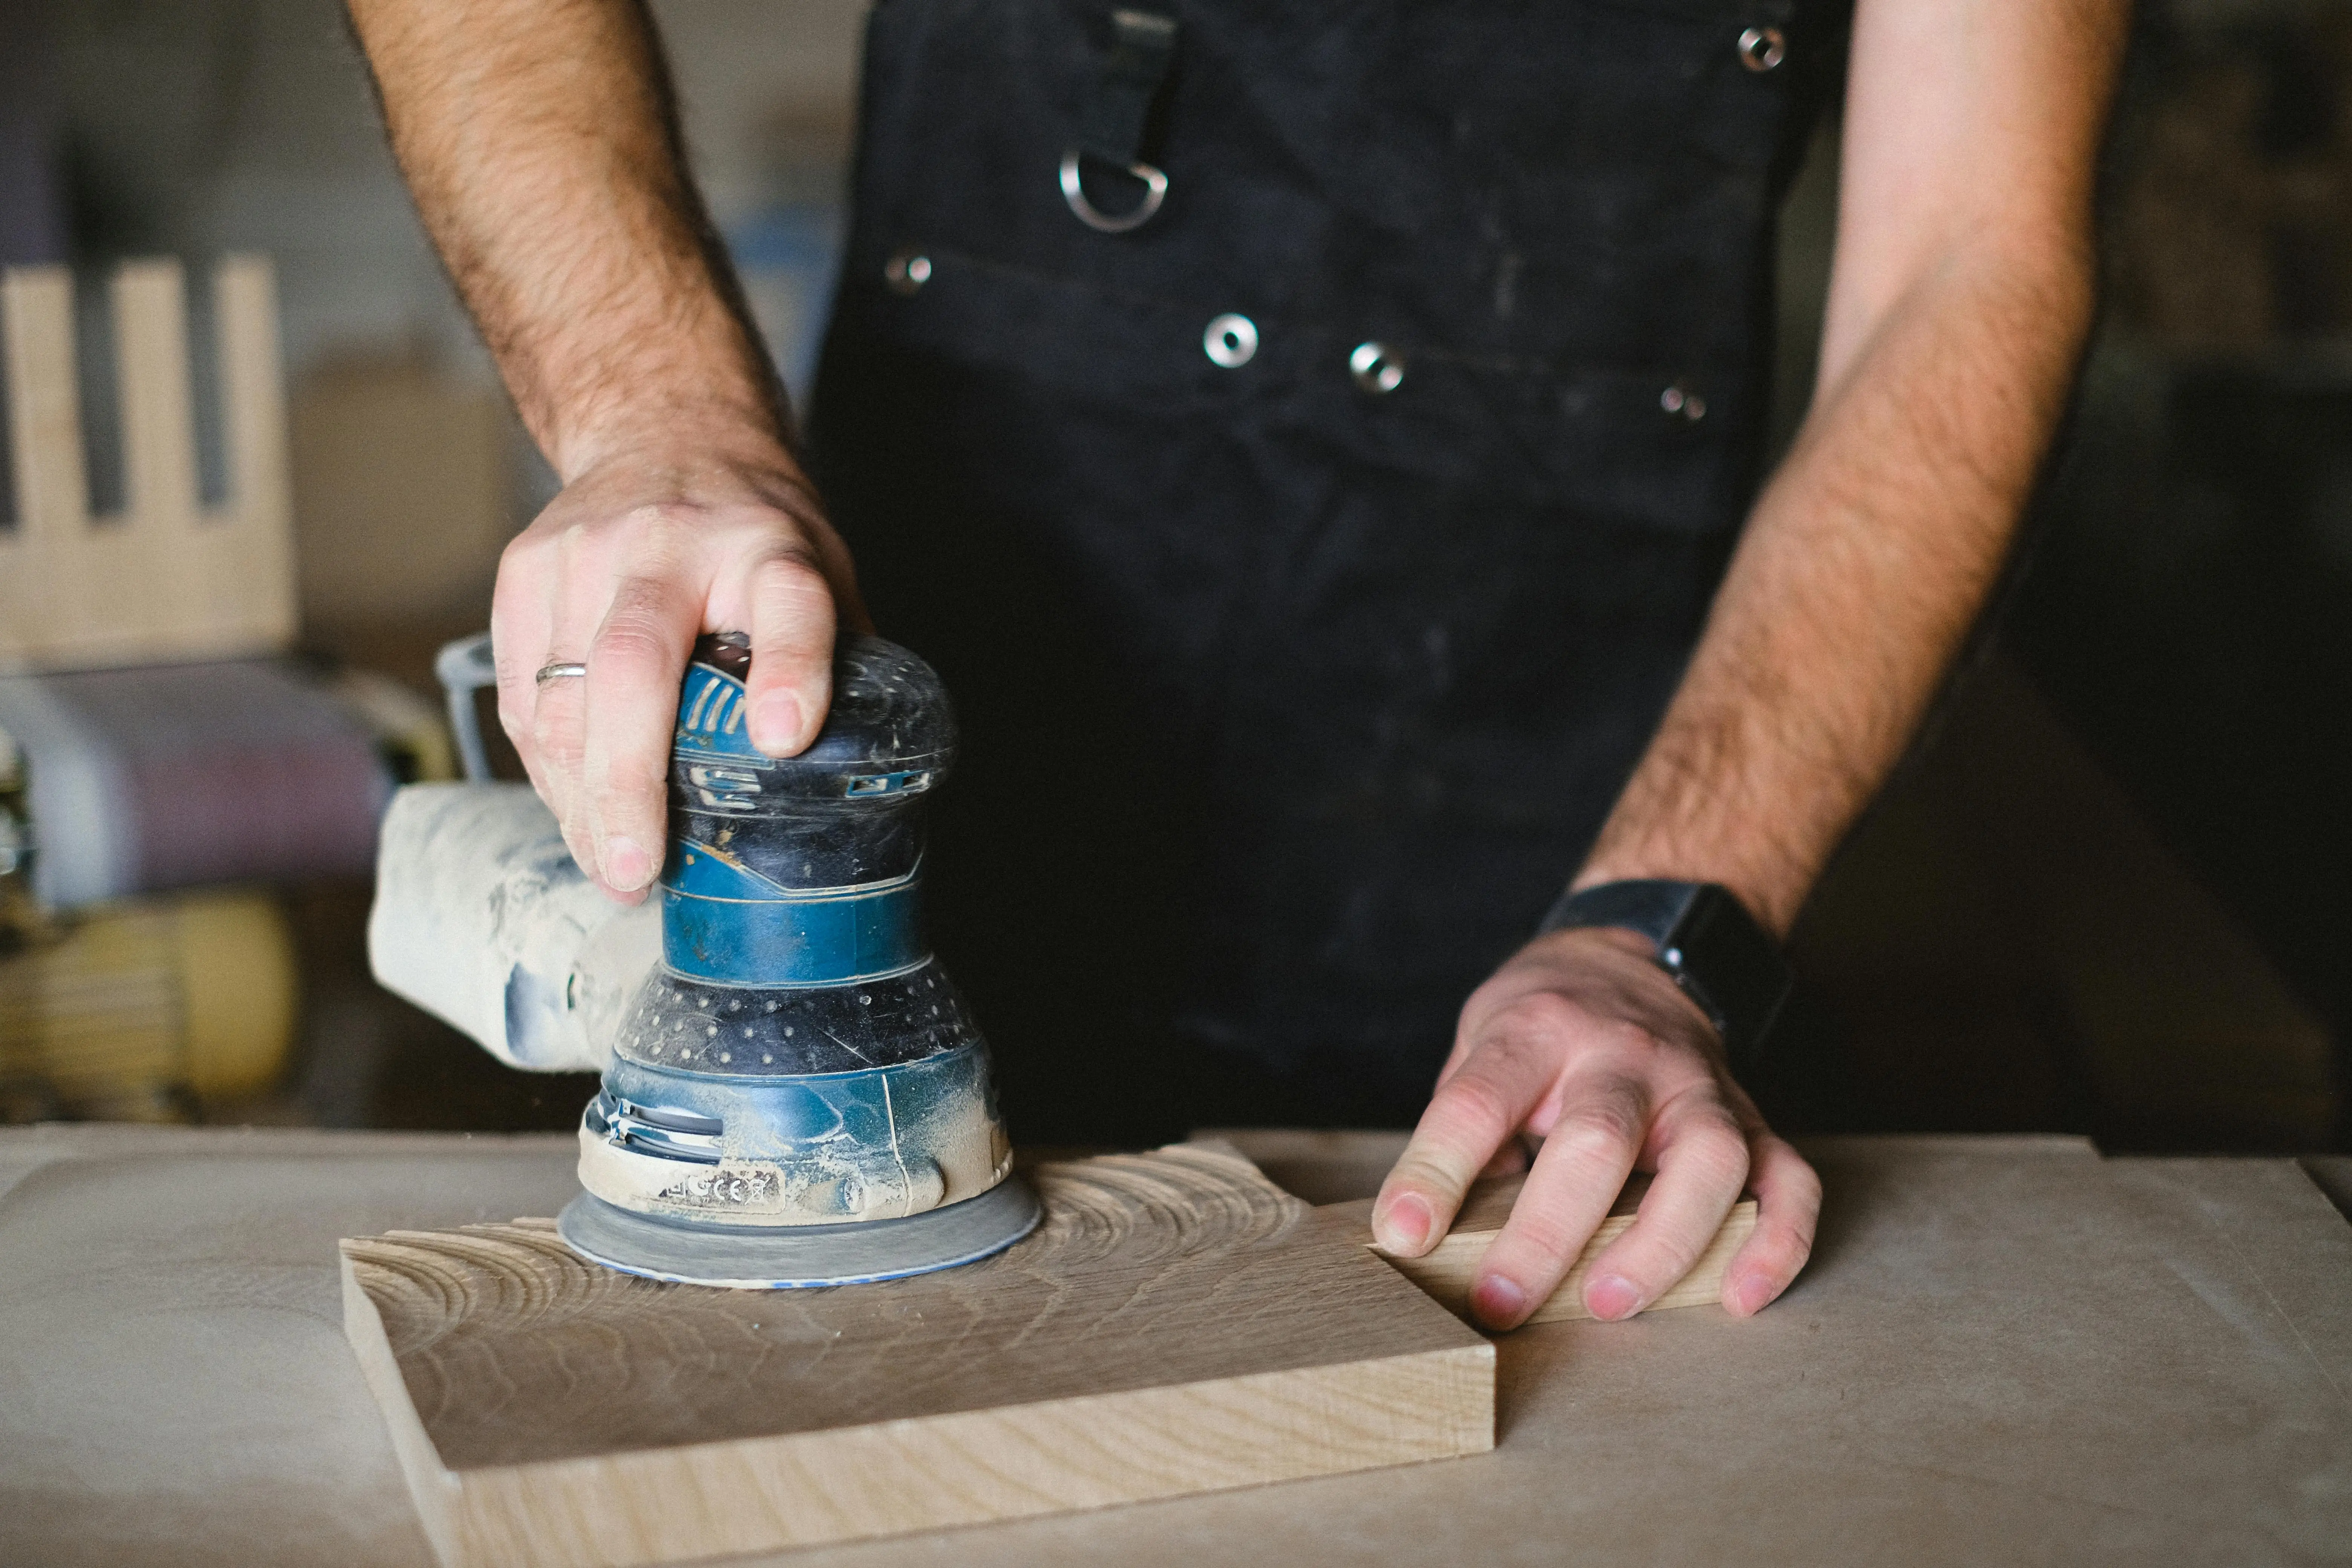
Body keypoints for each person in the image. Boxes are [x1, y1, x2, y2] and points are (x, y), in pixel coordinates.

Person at [348, 0, 2126, 1331]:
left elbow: (1970, 255)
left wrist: (1661, 926)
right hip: (968, 686)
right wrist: (659, 410)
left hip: (1558, 826)